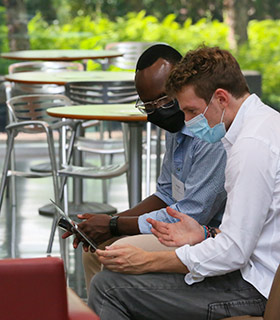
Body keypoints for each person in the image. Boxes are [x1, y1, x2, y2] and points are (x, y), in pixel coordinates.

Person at [88, 46, 280, 319]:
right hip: (251, 273)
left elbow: (235, 252)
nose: (187, 122)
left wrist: (149, 262)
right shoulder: (265, 123)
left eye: (192, 111)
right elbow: (256, 235)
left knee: (109, 288)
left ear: (221, 98)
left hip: (256, 287)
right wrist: (203, 235)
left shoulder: (250, 148)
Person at [63, 44, 227, 291]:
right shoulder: (177, 126)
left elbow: (191, 216)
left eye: (162, 99)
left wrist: (113, 225)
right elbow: (165, 195)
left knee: (115, 253)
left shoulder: (209, 133)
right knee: (96, 251)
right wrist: (110, 222)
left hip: (207, 236)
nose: (157, 111)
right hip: (176, 228)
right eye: (148, 106)